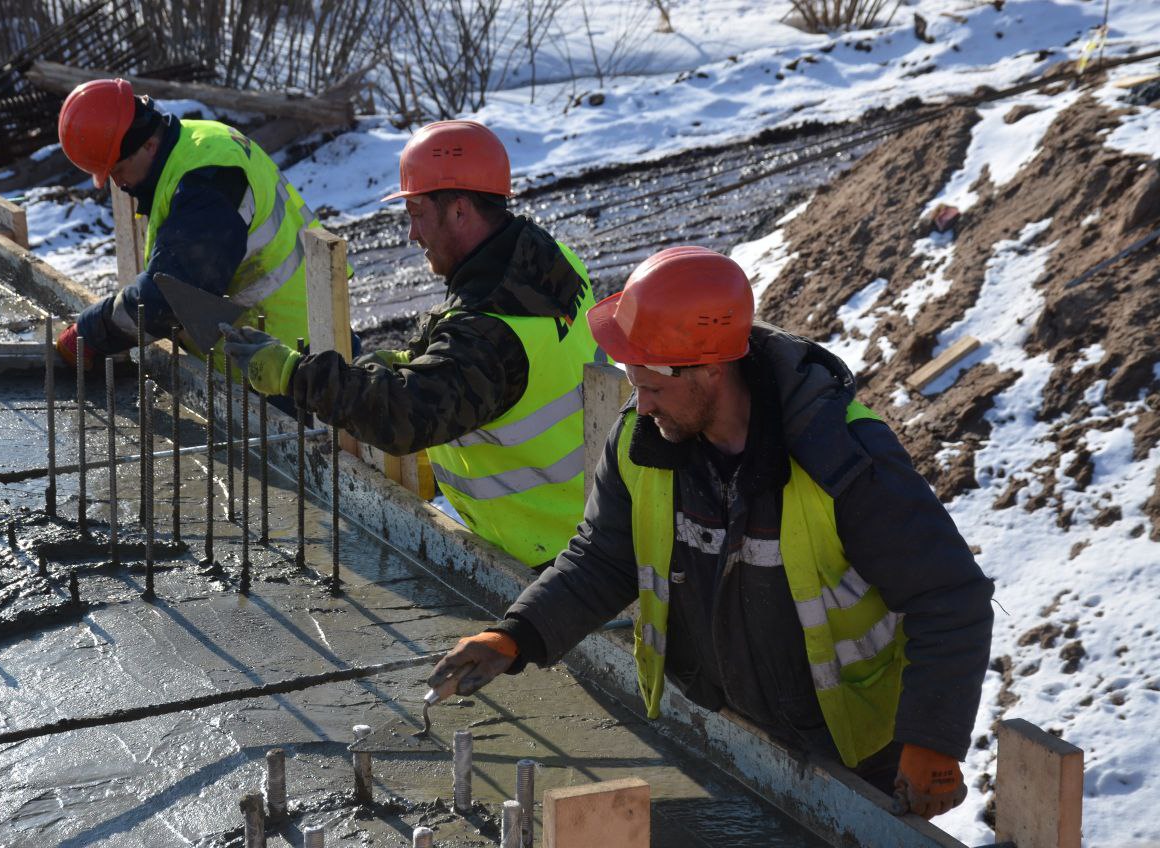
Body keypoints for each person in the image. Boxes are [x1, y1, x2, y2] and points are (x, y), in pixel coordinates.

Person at [424, 246, 994, 819]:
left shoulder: (843, 458)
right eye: (634, 384)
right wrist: (517, 636)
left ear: (711, 369)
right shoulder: (644, 441)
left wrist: (932, 742)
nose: (639, 406)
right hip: (732, 732)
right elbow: (602, 558)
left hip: (855, 751)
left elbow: (950, 597)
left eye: (653, 387)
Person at [222, 120, 600, 568]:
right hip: (590, 520)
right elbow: (475, 361)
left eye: (417, 214)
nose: (411, 234)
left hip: (552, 554)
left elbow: (401, 417)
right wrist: (413, 360)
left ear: (460, 211)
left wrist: (292, 374)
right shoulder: (543, 262)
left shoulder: (490, 330)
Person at [53, 78, 316, 369]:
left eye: (119, 169)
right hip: (277, 346)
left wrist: (91, 332)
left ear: (149, 145)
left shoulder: (208, 183)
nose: (119, 184)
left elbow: (168, 302)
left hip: (290, 362)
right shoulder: (191, 145)